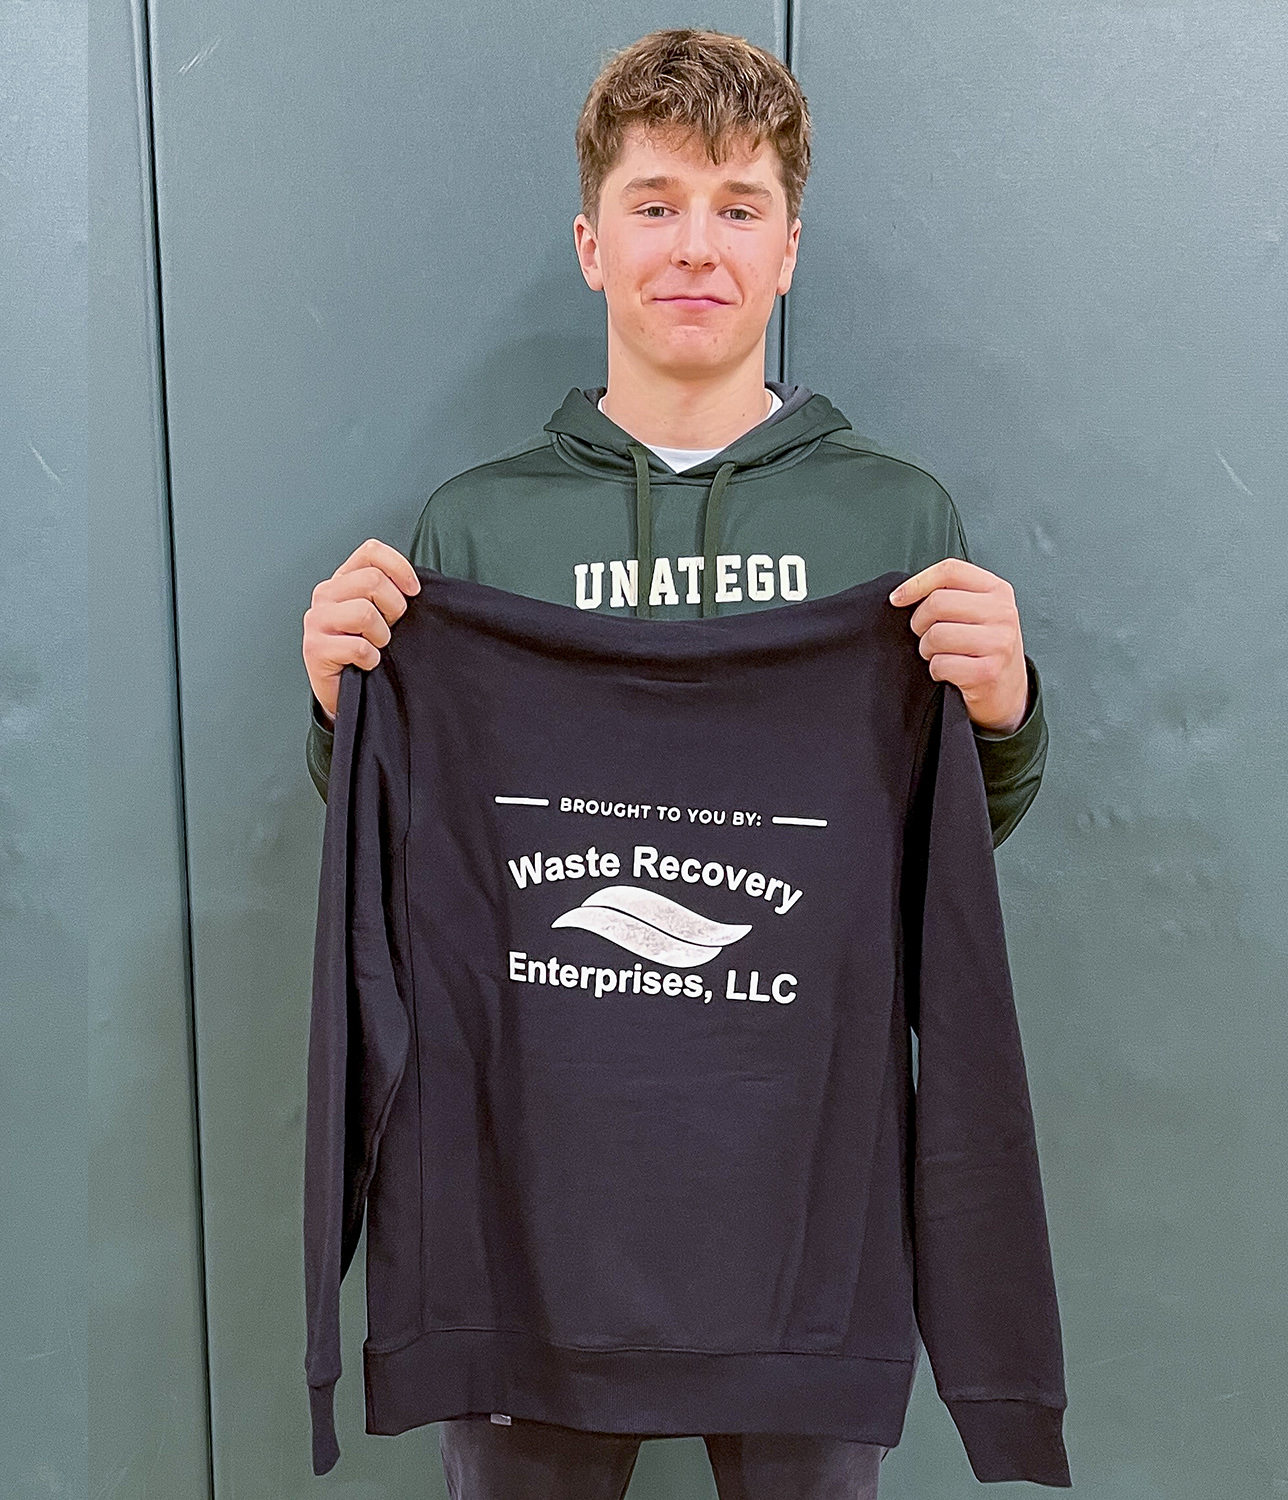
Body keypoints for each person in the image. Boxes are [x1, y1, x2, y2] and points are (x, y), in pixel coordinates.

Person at [297, 29, 1045, 1500]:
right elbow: (424, 850)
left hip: (808, 1214)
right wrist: (346, 711)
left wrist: (1007, 710)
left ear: (787, 246)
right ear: (591, 244)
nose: (693, 245)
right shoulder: (472, 529)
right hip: (530, 1213)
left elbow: (938, 850)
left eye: (736, 204)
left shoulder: (895, 521)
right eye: (654, 204)